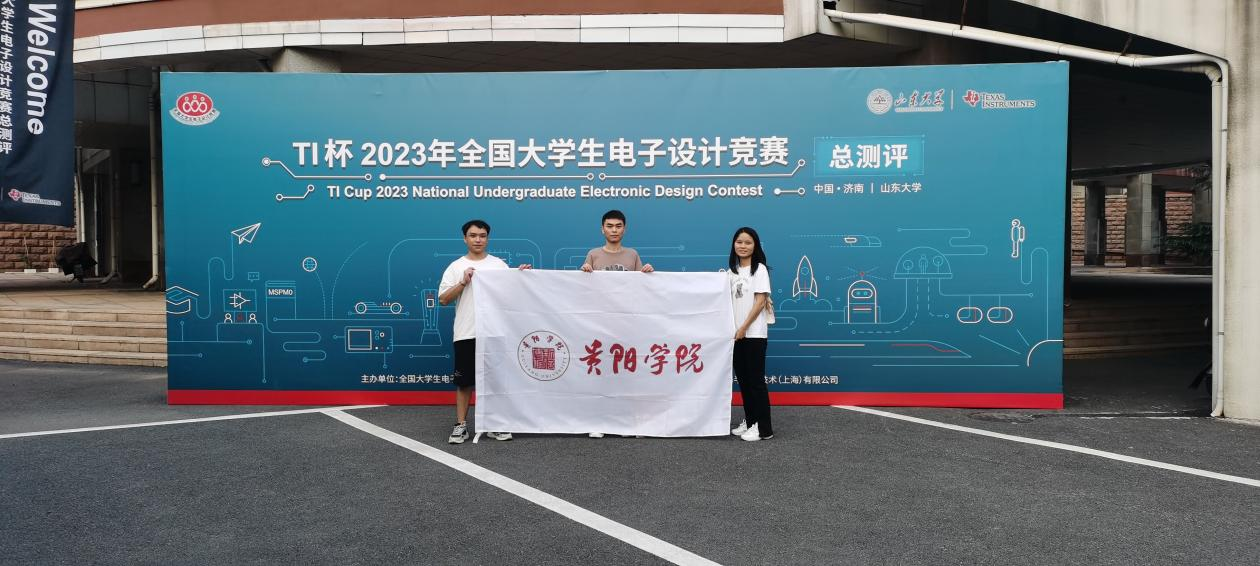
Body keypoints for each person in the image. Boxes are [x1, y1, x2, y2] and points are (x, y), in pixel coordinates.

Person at [438, 219, 531, 444]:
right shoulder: (456, 266)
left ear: (487, 238)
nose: (478, 239)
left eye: (482, 235)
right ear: (465, 239)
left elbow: (513, 294)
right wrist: (463, 282)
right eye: (473, 235)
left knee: (496, 380)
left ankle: (494, 424)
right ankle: (461, 426)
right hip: (466, 331)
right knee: (464, 382)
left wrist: (522, 276)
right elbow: (443, 299)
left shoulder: (499, 265)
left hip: (494, 332)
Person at [581, 209, 653, 438]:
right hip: (600, 324)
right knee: (600, 374)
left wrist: (647, 273)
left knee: (626, 373)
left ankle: (626, 423)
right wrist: (584, 272)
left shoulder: (632, 255)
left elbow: (641, 288)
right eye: (609, 226)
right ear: (602, 229)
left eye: (618, 226)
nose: (614, 230)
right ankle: (598, 422)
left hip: (626, 324)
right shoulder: (593, 255)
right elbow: (583, 289)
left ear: (624, 229)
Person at [728, 227, 774, 441]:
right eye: (739, 242)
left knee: (756, 381)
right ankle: (750, 420)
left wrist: (744, 327)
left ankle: (764, 429)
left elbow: (760, 302)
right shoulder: (732, 272)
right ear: (733, 244)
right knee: (744, 381)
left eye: (748, 242)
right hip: (736, 335)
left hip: (753, 334)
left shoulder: (760, 270)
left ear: (755, 246)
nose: (743, 246)